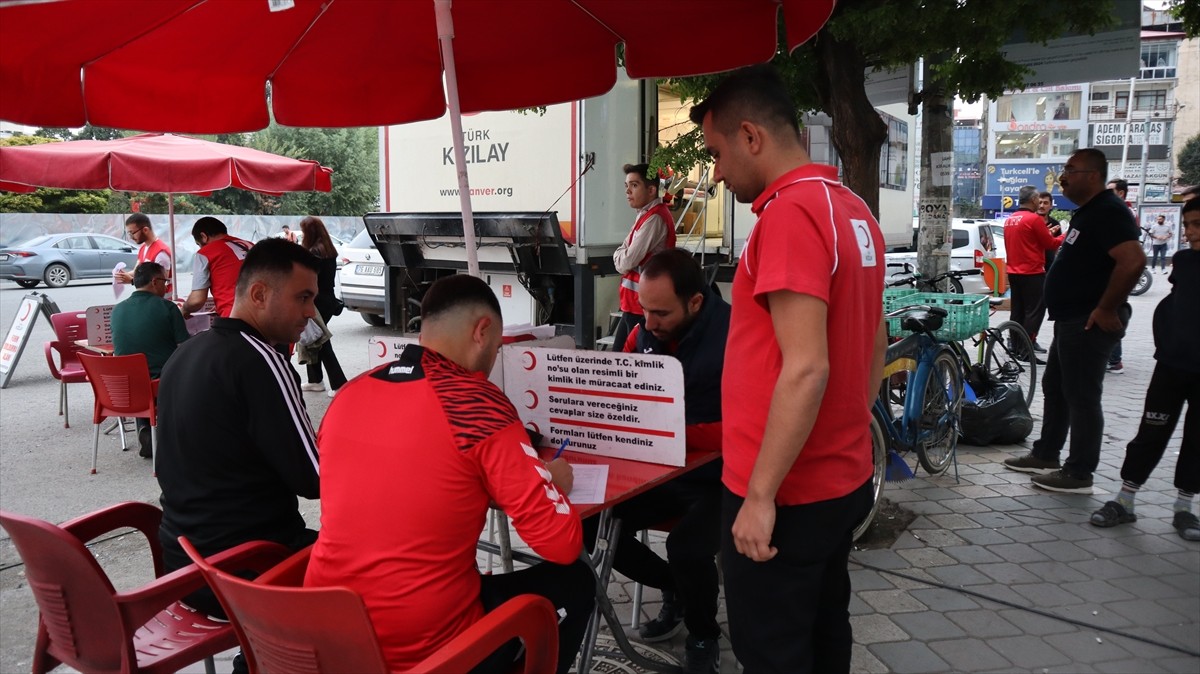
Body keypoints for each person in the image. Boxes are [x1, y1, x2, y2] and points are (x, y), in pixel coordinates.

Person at [688, 65, 885, 674]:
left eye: (717, 153)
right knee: (825, 631)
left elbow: (806, 369)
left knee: (773, 650)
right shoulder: (851, 208)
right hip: (839, 479)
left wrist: (761, 494)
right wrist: (849, 428)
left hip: (786, 495)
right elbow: (875, 336)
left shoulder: (789, 215)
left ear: (751, 136)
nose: (717, 172)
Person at [305, 274, 593, 674]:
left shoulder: (350, 395)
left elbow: (411, 482)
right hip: (427, 650)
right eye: (495, 353)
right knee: (578, 581)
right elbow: (559, 545)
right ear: (483, 331)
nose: (491, 366)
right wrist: (551, 483)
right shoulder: (476, 404)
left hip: (327, 634)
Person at [156, 237, 321, 622]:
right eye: (303, 297)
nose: (312, 312)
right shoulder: (262, 360)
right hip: (250, 569)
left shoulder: (186, 353)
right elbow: (315, 479)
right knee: (387, 562)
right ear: (260, 294)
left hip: (182, 565)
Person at [582, 248, 729, 674]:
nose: (648, 323)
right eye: (643, 310)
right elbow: (618, 387)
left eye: (661, 313)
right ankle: (676, 590)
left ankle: (704, 634)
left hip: (724, 477)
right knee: (587, 523)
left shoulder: (738, 334)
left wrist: (671, 435)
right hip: (660, 472)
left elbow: (752, 425)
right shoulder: (643, 332)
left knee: (686, 547)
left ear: (695, 302)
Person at [1004, 149, 1145, 493]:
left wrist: (1107, 308)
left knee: (1082, 395)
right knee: (1057, 387)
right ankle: (1047, 453)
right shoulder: (1088, 213)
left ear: (1093, 175)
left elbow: (1133, 261)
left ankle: (1079, 472)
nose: (1062, 176)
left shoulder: (1109, 211)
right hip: (1070, 321)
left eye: (1070, 169)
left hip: (1088, 321)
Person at [1090, 198, 1199, 541]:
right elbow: (1178, 304)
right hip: (1170, 365)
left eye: (1197, 224)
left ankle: (1184, 507)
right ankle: (1125, 499)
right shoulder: (1183, 260)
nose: (1190, 231)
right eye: (1189, 224)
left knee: (1197, 440)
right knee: (1151, 430)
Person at [110, 261, 189, 458]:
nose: (166, 286)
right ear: (155, 282)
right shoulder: (168, 308)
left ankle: (145, 429)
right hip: (161, 386)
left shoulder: (117, 310)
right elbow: (184, 348)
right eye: (165, 281)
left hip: (124, 388)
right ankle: (170, 432)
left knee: (141, 370)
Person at [612, 163, 676, 351]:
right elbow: (624, 252)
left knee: (626, 364)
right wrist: (621, 255)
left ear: (651, 190)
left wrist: (620, 256)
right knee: (618, 361)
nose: (628, 191)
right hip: (634, 305)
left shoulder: (654, 218)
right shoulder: (645, 215)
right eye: (626, 186)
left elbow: (626, 261)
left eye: (634, 185)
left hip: (643, 307)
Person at [1004, 185, 1063, 355]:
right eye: (1038, 198)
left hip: (1014, 272)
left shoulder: (1010, 219)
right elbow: (1050, 245)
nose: (1040, 202)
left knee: (1017, 311)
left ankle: (1015, 347)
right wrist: (1065, 235)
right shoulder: (1034, 219)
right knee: (1034, 312)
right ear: (1032, 200)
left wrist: (1048, 234)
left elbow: (1029, 241)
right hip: (1032, 273)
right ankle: (1025, 349)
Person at [297, 216, 347, 396]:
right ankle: (315, 380)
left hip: (316, 301)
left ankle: (339, 383)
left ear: (308, 232)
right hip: (328, 299)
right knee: (314, 339)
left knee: (320, 341)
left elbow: (306, 278)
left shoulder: (313, 252)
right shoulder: (328, 249)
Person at [182, 216, 252, 319]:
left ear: (204, 236)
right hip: (267, 315)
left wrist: (184, 309)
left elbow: (197, 300)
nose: (200, 248)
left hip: (235, 318)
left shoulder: (205, 253)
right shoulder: (250, 245)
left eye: (199, 244)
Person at [1104, 179, 1136, 373]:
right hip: (1108, 275)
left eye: (1111, 191)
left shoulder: (1122, 214)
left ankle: (1115, 360)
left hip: (1115, 276)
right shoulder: (1115, 211)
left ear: (1122, 193)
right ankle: (1112, 358)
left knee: (1112, 313)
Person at [114, 213, 174, 296]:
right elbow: (136, 271)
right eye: (129, 234)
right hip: (148, 297)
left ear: (145, 230)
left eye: (133, 233)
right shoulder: (143, 248)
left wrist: (132, 281)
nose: (131, 237)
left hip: (161, 300)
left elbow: (160, 284)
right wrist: (123, 276)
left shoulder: (161, 253)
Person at [1037, 191, 1061, 276]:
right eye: (1039, 202)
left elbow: (1057, 246)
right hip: (1033, 266)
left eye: (1045, 203)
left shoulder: (1055, 224)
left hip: (1049, 265)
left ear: (1050, 205)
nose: (1042, 206)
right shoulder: (1030, 222)